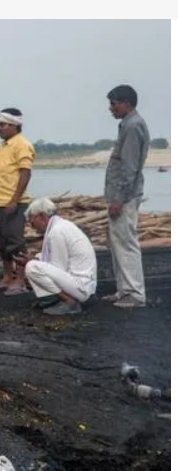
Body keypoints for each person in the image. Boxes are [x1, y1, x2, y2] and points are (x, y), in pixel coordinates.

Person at [103, 84, 150, 308]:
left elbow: (130, 167)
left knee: (126, 242)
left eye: (113, 104)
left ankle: (135, 293)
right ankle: (124, 289)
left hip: (125, 196)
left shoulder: (133, 126)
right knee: (118, 242)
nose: (110, 109)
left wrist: (118, 199)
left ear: (126, 103)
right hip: (120, 194)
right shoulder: (127, 125)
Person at [15, 197, 96, 316]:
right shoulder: (61, 226)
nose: (32, 226)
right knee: (35, 262)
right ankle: (54, 299)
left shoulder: (56, 232)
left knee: (32, 267)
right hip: (82, 283)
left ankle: (69, 302)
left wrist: (30, 262)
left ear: (42, 216)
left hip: (81, 287)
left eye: (32, 221)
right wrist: (35, 259)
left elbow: (58, 267)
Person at [0, 108, 34, 295]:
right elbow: (0, 175)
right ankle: (7, 277)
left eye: (3, 124)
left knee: (16, 242)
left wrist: (14, 200)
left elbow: (25, 173)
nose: (0, 128)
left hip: (13, 203)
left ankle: (20, 281)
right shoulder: (3, 146)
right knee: (1, 242)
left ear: (15, 125)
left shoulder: (22, 144)